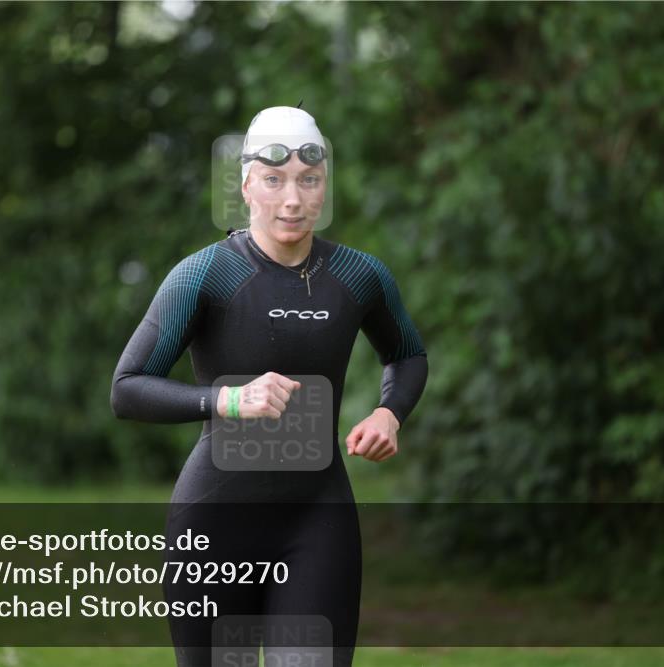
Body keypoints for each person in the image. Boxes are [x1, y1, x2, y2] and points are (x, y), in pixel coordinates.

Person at [110, 106, 428, 666]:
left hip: (317, 523)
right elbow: (128, 388)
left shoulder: (358, 277)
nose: (293, 200)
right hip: (214, 523)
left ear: (323, 185)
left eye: (309, 181)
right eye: (275, 181)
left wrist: (389, 413)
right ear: (247, 184)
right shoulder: (205, 274)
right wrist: (228, 399)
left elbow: (406, 355)